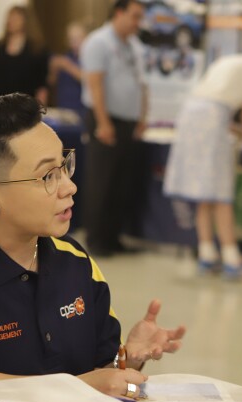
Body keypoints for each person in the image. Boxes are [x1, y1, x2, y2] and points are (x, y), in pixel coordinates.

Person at [0, 93, 186, 400]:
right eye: (48, 175)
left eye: (64, 166)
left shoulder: (75, 262)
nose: (69, 187)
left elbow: (101, 372)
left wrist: (127, 359)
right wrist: (76, 388)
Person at [162, 47, 242, 279]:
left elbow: (218, 107)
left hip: (192, 115)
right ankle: (232, 260)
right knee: (221, 192)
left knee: (205, 192)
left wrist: (241, 130)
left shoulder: (233, 61)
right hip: (212, 119)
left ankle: (207, 255)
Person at [80, 0, 148, 257]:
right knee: (102, 181)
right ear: (119, 13)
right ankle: (96, 239)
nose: (138, 23)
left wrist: (143, 116)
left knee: (122, 183)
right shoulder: (99, 42)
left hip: (129, 122)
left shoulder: (134, 46)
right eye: (135, 17)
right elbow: (95, 83)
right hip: (106, 119)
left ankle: (113, 237)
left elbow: (142, 84)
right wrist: (103, 122)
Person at [0, 5, 50, 104]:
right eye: (10, 18)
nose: (11, 21)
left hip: (25, 108)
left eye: (16, 18)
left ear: (25, 21)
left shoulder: (37, 50)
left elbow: (42, 87)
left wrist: (39, 111)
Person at [49, 21, 87, 113]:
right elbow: (51, 81)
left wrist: (68, 66)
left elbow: (87, 79)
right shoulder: (65, 57)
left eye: (78, 38)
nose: (74, 42)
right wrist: (53, 69)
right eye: (71, 38)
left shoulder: (89, 58)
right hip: (63, 107)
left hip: (81, 109)